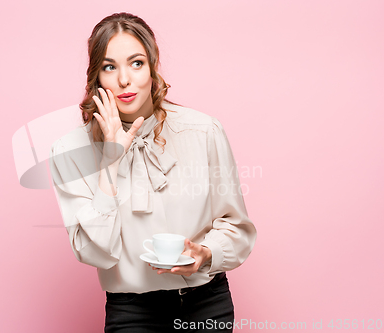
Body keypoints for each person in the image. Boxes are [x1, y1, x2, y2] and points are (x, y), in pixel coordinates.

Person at [49, 12, 257, 333]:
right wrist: (111, 160)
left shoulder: (202, 131)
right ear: (96, 77)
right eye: (109, 67)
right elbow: (94, 252)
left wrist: (206, 253)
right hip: (132, 312)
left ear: (152, 66)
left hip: (206, 304)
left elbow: (236, 227)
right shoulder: (69, 151)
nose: (124, 81)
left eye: (136, 63)